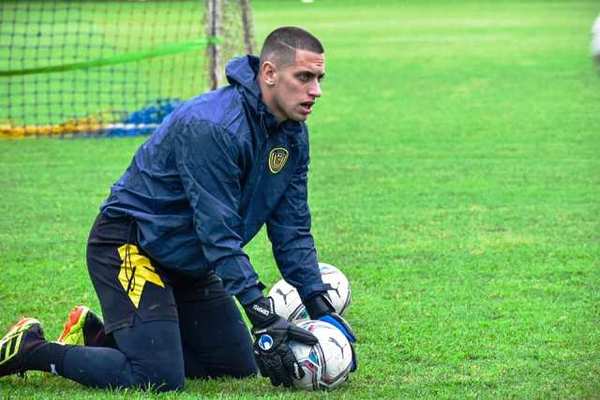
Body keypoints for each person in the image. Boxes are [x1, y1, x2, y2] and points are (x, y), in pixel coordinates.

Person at [0, 26, 356, 392]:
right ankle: (32, 349)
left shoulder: (292, 133)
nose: (316, 90)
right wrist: (260, 312)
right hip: (129, 245)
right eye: (305, 77)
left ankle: (97, 334)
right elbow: (217, 232)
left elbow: (291, 227)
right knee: (158, 377)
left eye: (319, 78)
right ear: (269, 73)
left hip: (187, 260)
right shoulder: (213, 126)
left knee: (236, 364)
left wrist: (319, 305)